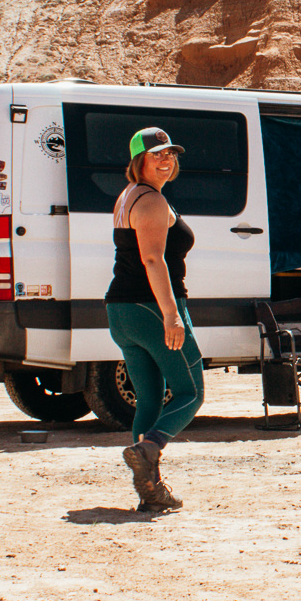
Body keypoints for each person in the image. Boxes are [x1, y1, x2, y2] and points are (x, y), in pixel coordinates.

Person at [106, 126, 202, 512]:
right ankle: (149, 448)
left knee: (148, 397)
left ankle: (151, 489)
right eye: (157, 154)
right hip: (149, 308)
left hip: (122, 311)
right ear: (138, 161)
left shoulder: (129, 196)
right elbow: (151, 259)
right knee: (190, 392)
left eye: (171, 154)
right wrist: (171, 315)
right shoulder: (150, 201)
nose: (167, 159)